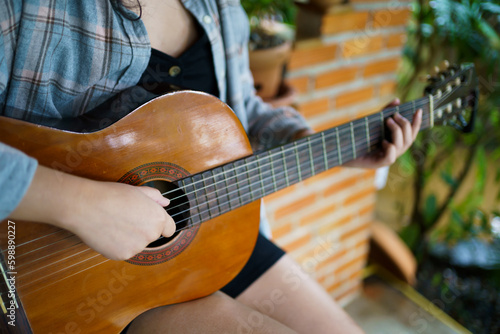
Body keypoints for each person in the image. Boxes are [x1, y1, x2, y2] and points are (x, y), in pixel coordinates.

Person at [0, 0, 422, 333]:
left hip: (214, 233)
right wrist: (85, 206)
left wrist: (327, 147)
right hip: (70, 277)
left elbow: (242, 110)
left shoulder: (220, 8)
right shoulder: (26, 9)